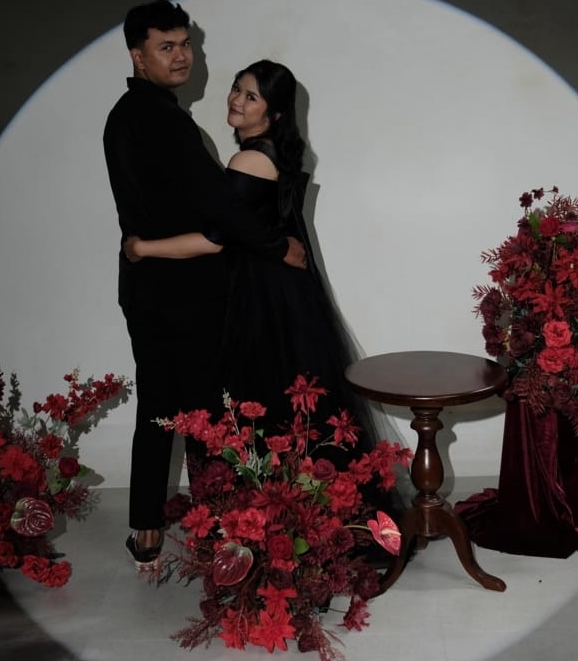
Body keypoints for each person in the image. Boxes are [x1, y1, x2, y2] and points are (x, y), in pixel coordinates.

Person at [124, 59, 398, 487]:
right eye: (237, 88)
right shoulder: (272, 152)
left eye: (251, 96)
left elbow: (214, 240)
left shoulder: (250, 159)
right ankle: (299, 506)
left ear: (274, 114)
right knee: (288, 409)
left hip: (260, 296)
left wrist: (142, 247)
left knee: (258, 404)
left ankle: (270, 508)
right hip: (281, 292)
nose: (236, 99)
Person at [102, 2, 305, 571]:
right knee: (205, 413)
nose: (182, 55)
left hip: (147, 285)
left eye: (185, 43)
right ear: (137, 55)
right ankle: (223, 535)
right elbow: (222, 213)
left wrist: (142, 249)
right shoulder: (161, 120)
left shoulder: (124, 115)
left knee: (160, 406)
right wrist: (279, 246)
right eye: (166, 46)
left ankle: (149, 533)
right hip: (185, 289)